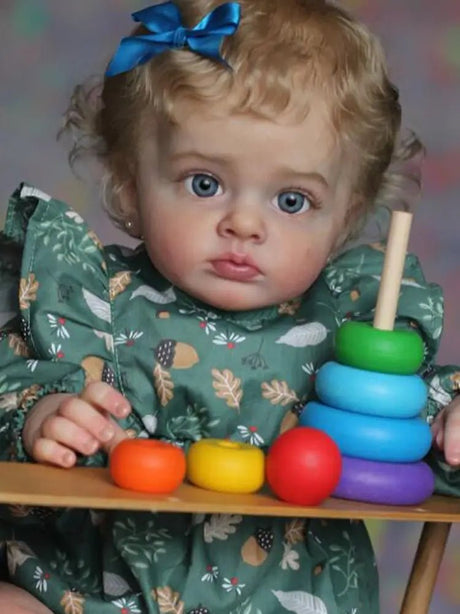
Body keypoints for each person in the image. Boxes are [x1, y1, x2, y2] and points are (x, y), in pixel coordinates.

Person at [0, 1, 458, 612]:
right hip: (97, 592)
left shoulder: (352, 334)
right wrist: (39, 417)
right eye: (205, 184)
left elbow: (414, 439)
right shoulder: (90, 302)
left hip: (286, 598)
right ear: (131, 181)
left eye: (291, 200)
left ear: (346, 216)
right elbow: (13, 382)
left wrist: (450, 425)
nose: (243, 224)